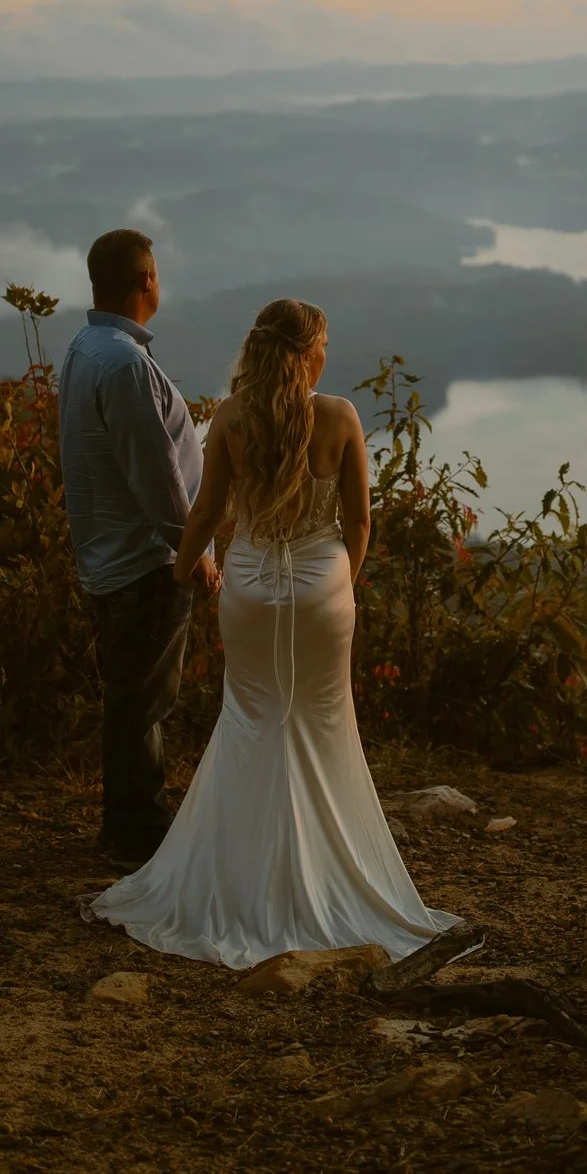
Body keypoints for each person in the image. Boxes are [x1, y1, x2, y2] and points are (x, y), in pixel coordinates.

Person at [84, 298, 459, 968]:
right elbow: (359, 522)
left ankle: (235, 876)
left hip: (251, 588)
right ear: (310, 351)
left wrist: (182, 571)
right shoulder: (340, 417)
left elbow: (206, 511)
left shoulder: (233, 416)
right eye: (325, 343)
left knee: (250, 719)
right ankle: (328, 871)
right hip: (322, 590)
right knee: (321, 722)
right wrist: (337, 585)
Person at [58, 228, 218, 870]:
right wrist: (194, 552)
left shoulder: (86, 348)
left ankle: (126, 827)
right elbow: (155, 476)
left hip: (114, 553)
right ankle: (138, 836)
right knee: (143, 701)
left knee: (131, 694)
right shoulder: (124, 363)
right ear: (147, 279)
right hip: (146, 560)